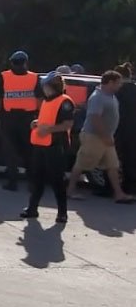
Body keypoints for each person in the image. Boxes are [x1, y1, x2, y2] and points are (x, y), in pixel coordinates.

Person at [67, 70, 134, 203]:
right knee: (82, 164)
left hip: (106, 137)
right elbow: (94, 118)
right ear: (110, 83)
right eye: (118, 83)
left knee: (113, 166)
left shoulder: (110, 95)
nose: (120, 86)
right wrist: (105, 136)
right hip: (94, 136)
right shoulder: (98, 97)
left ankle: (119, 194)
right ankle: (70, 190)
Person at [22, 72, 74, 224]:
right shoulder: (47, 101)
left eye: (45, 86)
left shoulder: (65, 102)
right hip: (41, 145)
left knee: (57, 180)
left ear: (53, 87)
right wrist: (37, 123)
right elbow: (48, 119)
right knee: (36, 178)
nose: (43, 89)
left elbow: (67, 124)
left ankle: (62, 213)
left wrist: (48, 130)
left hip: (55, 146)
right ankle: (32, 209)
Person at [0, 51, 44, 191]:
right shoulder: (32, 77)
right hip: (24, 119)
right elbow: (40, 100)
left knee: (12, 151)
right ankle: (30, 183)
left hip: (13, 118)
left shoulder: (6, 76)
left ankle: (13, 181)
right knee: (27, 151)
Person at [114, 64, 136, 194]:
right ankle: (131, 186)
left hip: (120, 129)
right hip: (133, 129)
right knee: (131, 158)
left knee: (116, 158)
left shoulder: (118, 92)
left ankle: (114, 186)